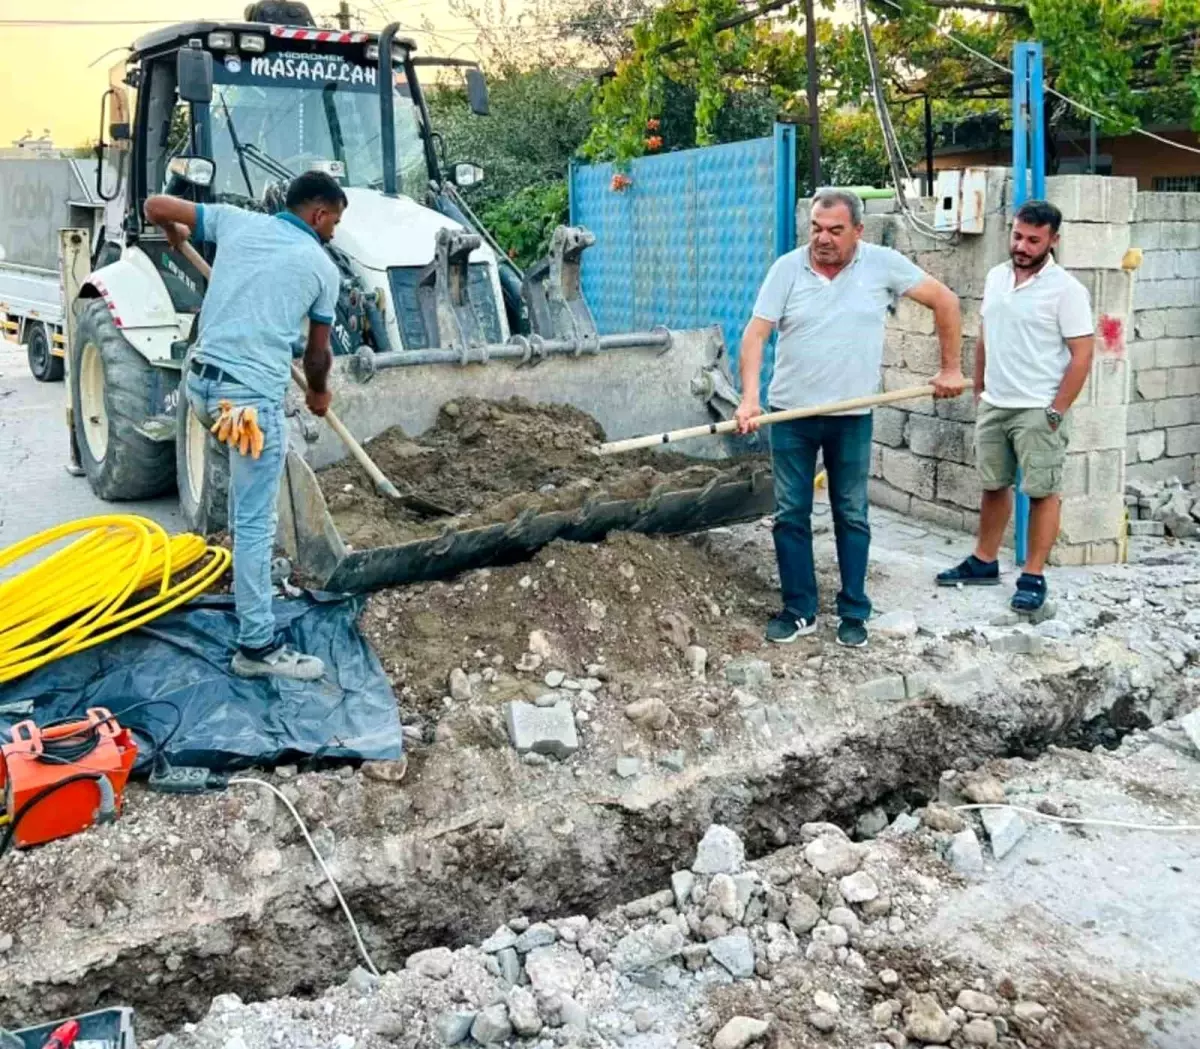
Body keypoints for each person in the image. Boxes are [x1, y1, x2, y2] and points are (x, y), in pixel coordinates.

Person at [737, 188, 965, 649]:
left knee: (852, 513)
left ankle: (854, 610)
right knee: (790, 515)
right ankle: (800, 609)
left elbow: (947, 302)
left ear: (857, 231)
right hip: (792, 413)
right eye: (817, 229)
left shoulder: (882, 264)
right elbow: (755, 333)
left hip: (852, 414)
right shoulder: (787, 269)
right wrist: (748, 399)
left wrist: (950, 368)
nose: (823, 239)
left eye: (835, 230)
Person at [144, 171, 345, 680]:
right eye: (335, 222)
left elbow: (156, 206)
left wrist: (175, 235)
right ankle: (257, 647)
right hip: (249, 408)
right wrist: (319, 395)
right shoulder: (322, 268)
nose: (335, 233)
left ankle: (247, 575)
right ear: (318, 214)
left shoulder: (236, 222)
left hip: (203, 389)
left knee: (243, 501)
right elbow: (318, 356)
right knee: (257, 520)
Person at [937, 200, 1094, 613]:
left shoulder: (1067, 290)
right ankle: (984, 562)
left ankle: (1033, 575)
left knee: (1042, 492)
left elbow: (1082, 355)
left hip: (1038, 409)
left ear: (1053, 241)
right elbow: (987, 334)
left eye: (1033, 240)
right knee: (993, 485)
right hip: (995, 404)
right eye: (1018, 236)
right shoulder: (996, 277)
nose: (1022, 246)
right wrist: (980, 388)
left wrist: (1057, 409)